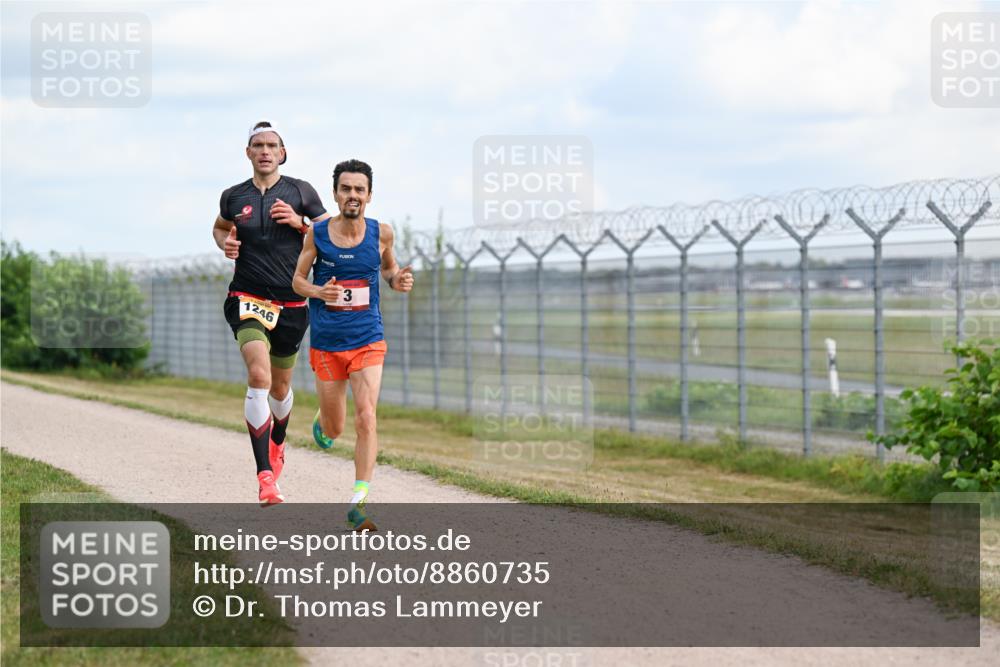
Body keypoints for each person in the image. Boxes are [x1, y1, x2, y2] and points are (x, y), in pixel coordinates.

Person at [292, 159, 414, 530]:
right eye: (346, 189)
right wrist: (318, 290)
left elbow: (389, 269)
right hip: (327, 342)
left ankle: (358, 503)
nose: (353, 196)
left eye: (360, 189)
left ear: (369, 195)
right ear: (335, 193)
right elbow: (297, 280)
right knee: (336, 429)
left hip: (367, 338)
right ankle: (323, 422)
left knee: (366, 416)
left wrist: (397, 281)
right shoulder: (317, 234)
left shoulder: (382, 234)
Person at [213, 121, 329, 506]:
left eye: (272, 145)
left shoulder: (300, 191)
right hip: (247, 297)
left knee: (280, 388)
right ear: (248, 153)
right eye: (257, 145)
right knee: (258, 375)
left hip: (293, 303)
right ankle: (265, 477)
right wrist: (226, 244)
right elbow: (219, 228)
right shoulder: (233, 196)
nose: (265, 151)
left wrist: (300, 223)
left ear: (282, 153)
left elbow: (332, 234)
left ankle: (278, 440)